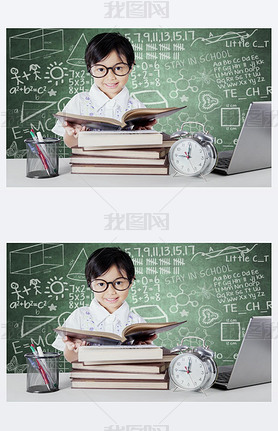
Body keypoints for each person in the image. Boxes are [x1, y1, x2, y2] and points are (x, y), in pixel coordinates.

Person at [52, 247, 156, 362]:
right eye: (101, 284)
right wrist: (73, 348)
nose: (111, 292)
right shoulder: (80, 316)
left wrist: (143, 349)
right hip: (90, 379)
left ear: (131, 281)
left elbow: (146, 361)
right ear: (90, 283)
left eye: (119, 283)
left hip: (125, 379)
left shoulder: (137, 323)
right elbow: (71, 359)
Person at [52, 32, 156, 148]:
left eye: (118, 68)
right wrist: (73, 133)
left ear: (131, 66)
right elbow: (70, 144)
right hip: (89, 165)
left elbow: (147, 146)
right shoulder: (79, 102)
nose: (110, 77)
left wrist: (142, 133)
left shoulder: (137, 108)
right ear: (89, 68)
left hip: (125, 165)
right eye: (101, 69)